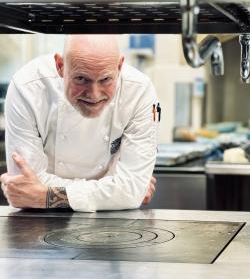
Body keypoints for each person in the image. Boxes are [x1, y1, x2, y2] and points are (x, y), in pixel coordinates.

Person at [0, 35, 158, 212]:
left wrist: (45, 196)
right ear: (60, 66)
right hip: (38, 220)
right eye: (82, 79)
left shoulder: (140, 91)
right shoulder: (27, 87)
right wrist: (114, 190)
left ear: (119, 66)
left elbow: (132, 190)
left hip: (109, 225)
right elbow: (23, 183)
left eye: (106, 79)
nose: (94, 95)